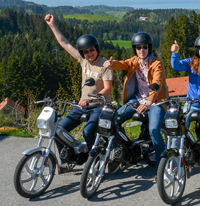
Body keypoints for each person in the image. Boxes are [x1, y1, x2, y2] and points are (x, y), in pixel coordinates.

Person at [45, 14, 113, 173]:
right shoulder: (83, 61)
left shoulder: (104, 65)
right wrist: (52, 25)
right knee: (58, 129)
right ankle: (68, 159)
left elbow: (108, 89)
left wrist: (90, 101)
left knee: (88, 131)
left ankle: (94, 160)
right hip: (82, 105)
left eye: (92, 50)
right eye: (86, 51)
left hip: (99, 106)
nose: (89, 53)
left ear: (96, 48)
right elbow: (64, 43)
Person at [103, 32, 169, 173]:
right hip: (138, 99)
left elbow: (157, 82)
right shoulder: (135, 61)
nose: (141, 50)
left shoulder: (157, 63)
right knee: (113, 120)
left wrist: (149, 102)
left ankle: (162, 165)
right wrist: (112, 64)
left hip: (156, 101)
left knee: (154, 130)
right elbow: (124, 64)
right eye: (138, 48)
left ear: (149, 48)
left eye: (144, 47)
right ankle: (121, 151)